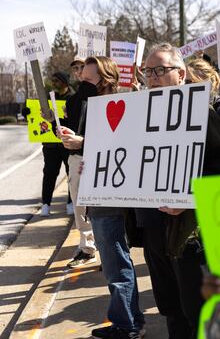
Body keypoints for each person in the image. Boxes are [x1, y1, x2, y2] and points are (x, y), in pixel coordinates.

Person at [137, 43, 220, 339]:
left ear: (180, 74)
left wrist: (190, 201)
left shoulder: (201, 111)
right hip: (154, 227)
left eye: (160, 70)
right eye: (148, 71)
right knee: (169, 307)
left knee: (196, 310)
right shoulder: (136, 114)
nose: (152, 76)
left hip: (189, 230)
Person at [60, 56, 145, 339]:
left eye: (87, 79)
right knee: (112, 259)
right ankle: (130, 319)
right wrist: (80, 144)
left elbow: (124, 144)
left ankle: (127, 325)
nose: (82, 83)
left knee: (114, 258)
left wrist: (83, 142)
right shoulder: (92, 106)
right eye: (81, 78)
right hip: (98, 188)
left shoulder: (124, 103)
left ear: (106, 78)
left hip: (113, 193)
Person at [60, 57, 97, 269]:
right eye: (75, 69)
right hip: (77, 158)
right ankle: (87, 248)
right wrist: (63, 129)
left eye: (82, 68)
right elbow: (75, 128)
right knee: (80, 205)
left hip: (102, 158)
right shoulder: (73, 101)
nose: (78, 72)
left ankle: (108, 247)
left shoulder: (104, 96)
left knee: (106, 207)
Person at [39, 71, 74, 217]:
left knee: (71, 173)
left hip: (67, 143)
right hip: (51, 145)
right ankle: (46, 203)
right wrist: (28, 112)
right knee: (49, 173)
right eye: (52, 80)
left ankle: (71, 203)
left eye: (57, 80)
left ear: (65, 82)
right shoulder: (46, 98)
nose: (54, 83)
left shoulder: (73, 98)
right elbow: (37, 115)